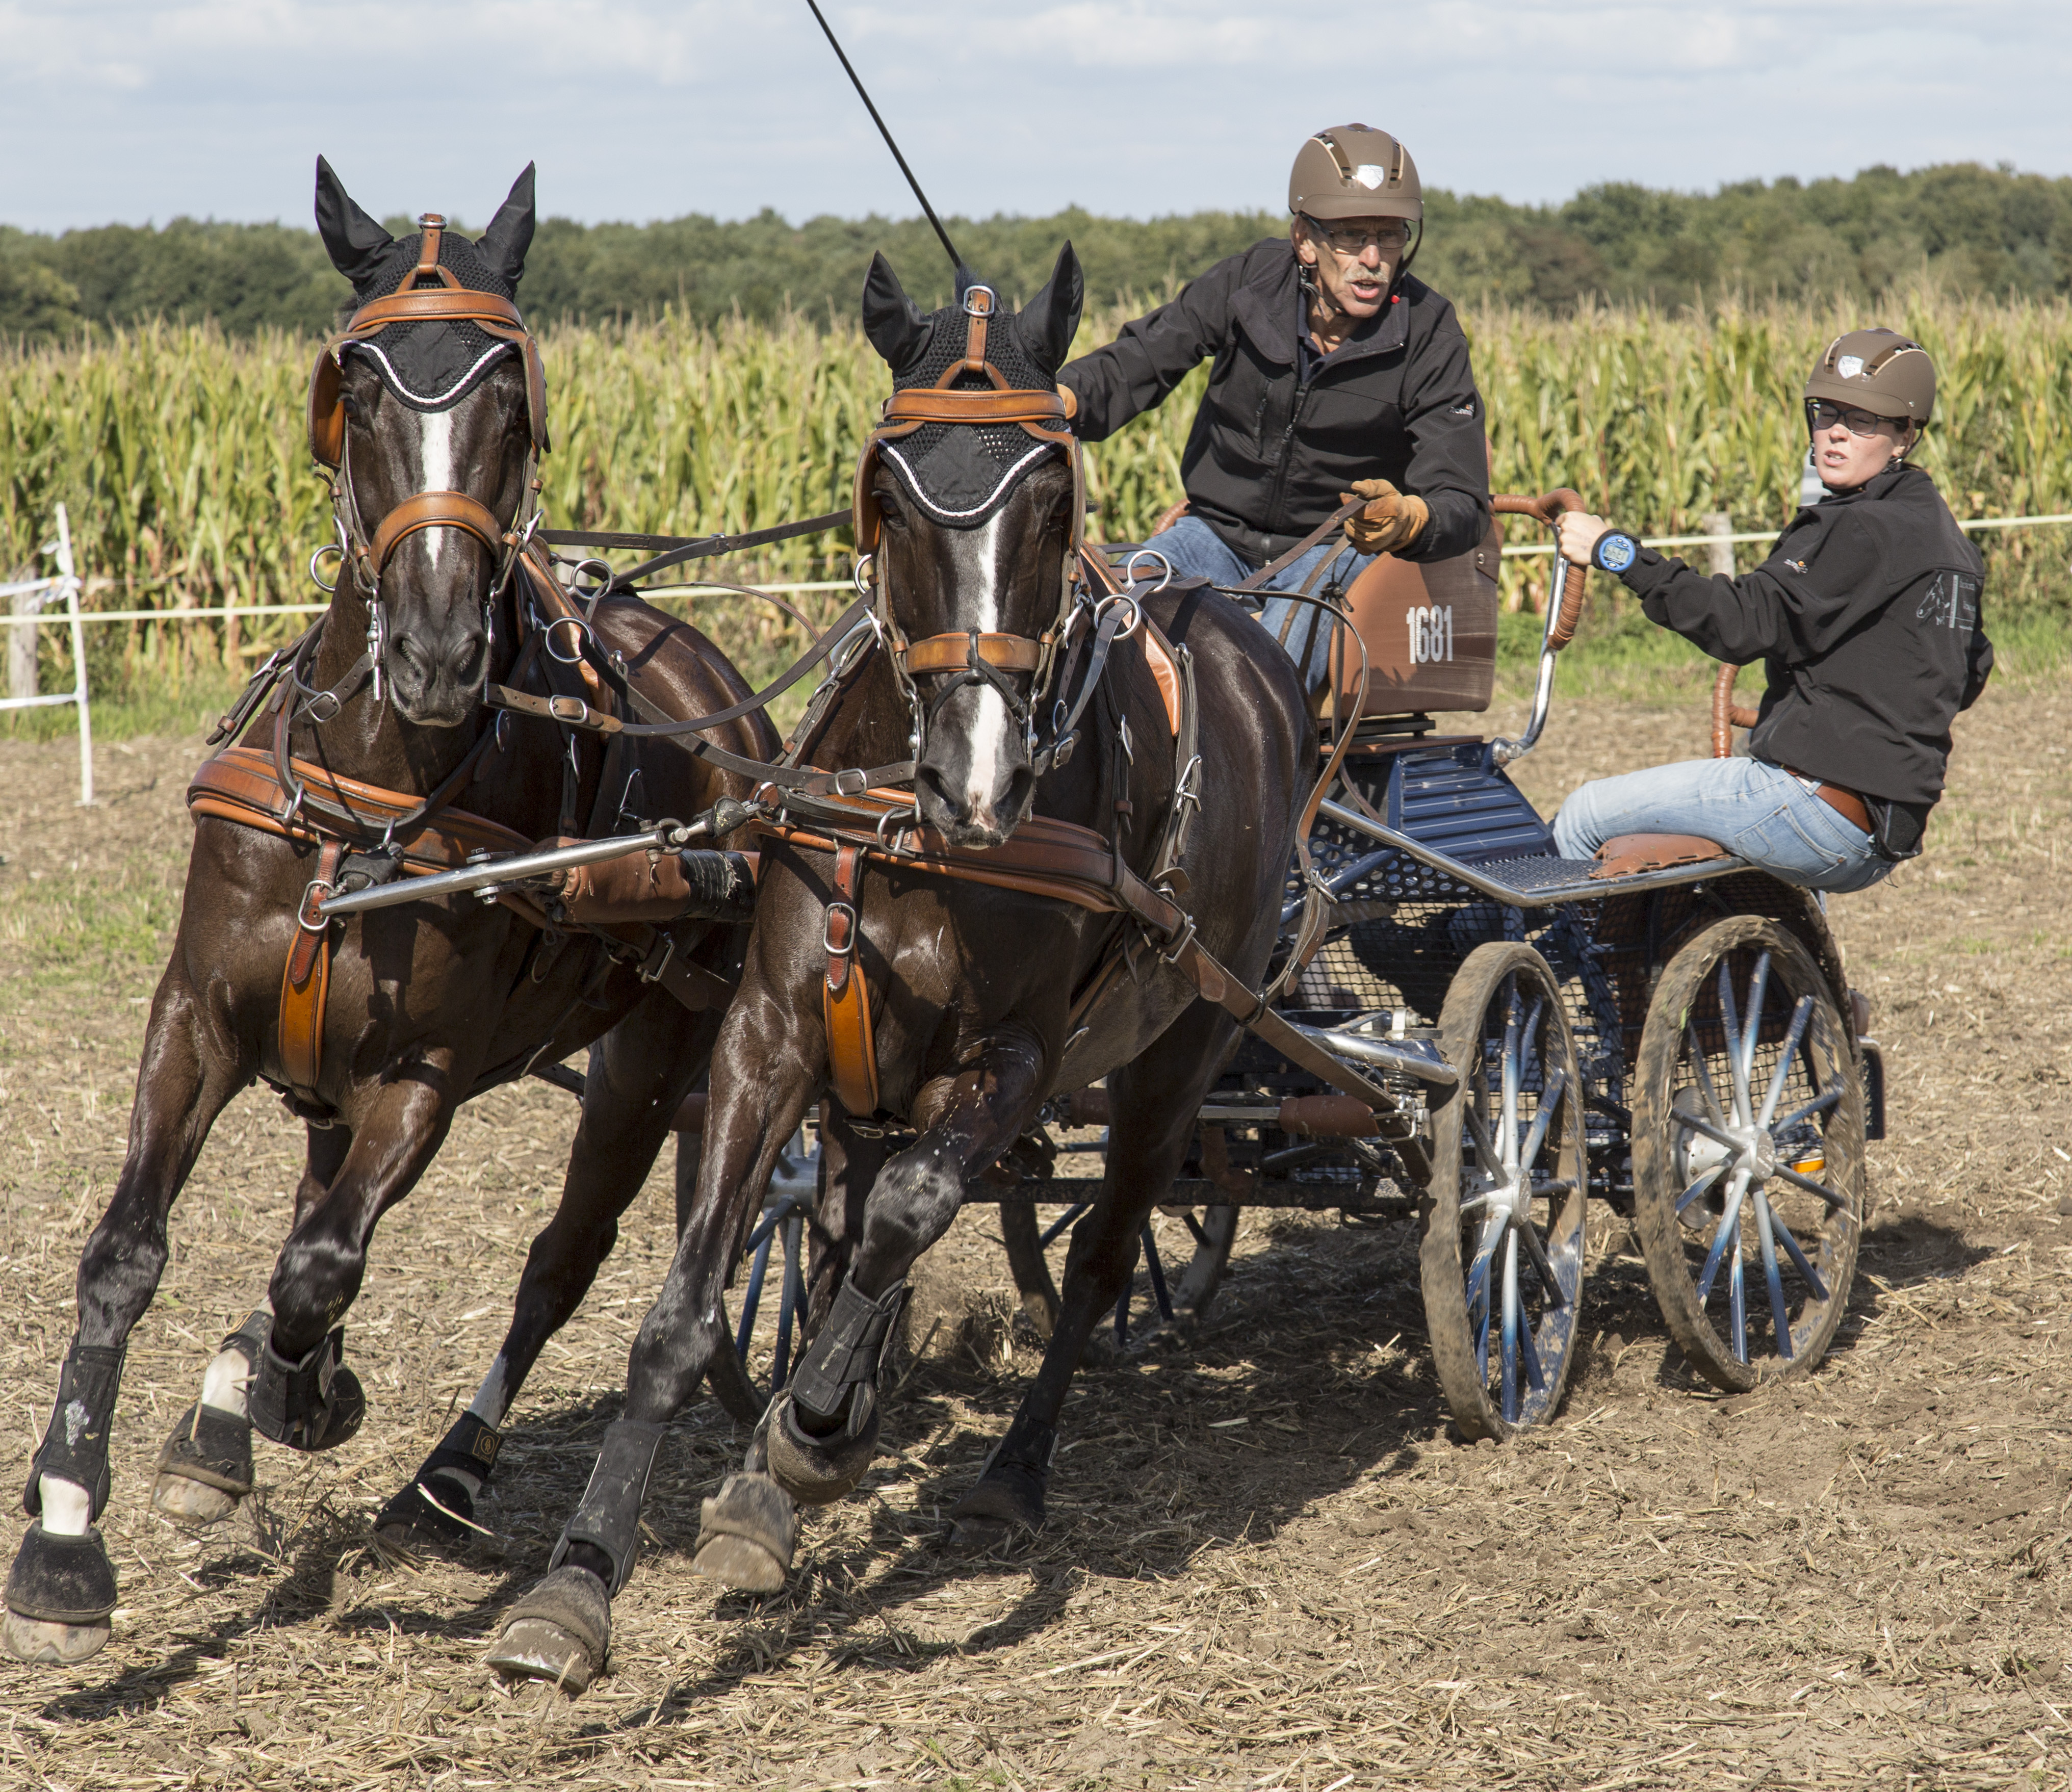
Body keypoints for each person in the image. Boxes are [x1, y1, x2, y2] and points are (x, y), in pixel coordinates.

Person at [1550, 329, 1992, 892]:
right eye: (1825, 411)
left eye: (1862, 421)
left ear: (1905, 434)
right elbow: (1968, 672)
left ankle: (1588, 976)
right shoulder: (1946, 538)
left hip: (1812, 809)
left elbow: (1740, 623)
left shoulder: (1859, 526)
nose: (1835, 432)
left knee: (1583, 813)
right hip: (1887, 826)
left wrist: (1616, 552)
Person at [1056, 125, 1491, 688]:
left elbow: (1462, 498)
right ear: (1304, 241)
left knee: (1269, 656)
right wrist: (1055, 399)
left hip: (1337, 545)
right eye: (1350, 236)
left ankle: (1253, 776)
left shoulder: (1430, 331)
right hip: (1213, 534)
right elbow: (1141, 358)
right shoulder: (1247, 284)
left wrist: (1409, 519)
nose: (1371, 258)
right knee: (1115, 613)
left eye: (1389, 237)